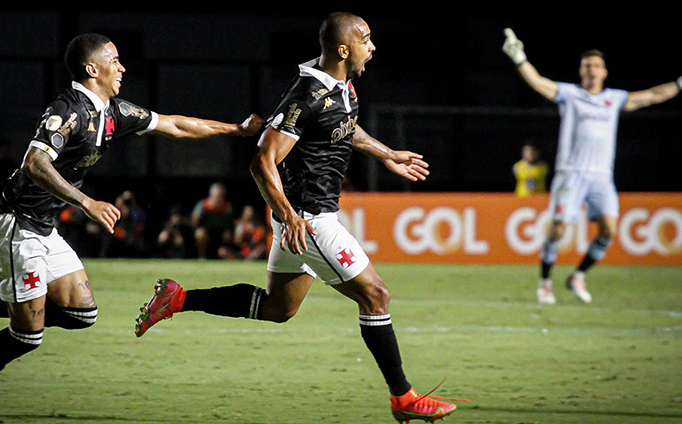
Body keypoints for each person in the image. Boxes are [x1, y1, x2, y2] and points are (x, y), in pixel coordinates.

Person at [134, 12, 465, 422]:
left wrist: (389, 154)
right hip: (309, 220)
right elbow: (262, 160)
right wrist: (290, 216)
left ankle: (179, 298)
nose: (373, 46)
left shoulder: (341, 87)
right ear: (343, 49)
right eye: (366, 39)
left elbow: (346, 127)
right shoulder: (305, 96)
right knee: (375, 295)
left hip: (302, 218)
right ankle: (404, 397)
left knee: (278, 308)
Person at [0, 32, 264, 422]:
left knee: (81, 314)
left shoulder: (111, 111)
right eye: (114, 59)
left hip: (41, 228)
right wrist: (86, 202)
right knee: (28, 335)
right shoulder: (67, 110)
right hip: (16, 226)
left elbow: (173, 125)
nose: (121, 66)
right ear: (92, 69)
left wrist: (235, 130)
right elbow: (35, 163)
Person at [502, 28, 682, 304]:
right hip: (571, 174)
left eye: (597, 66)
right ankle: (544, 282)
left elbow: (652, 96)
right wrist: (519, 58)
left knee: (610, 230)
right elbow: (539, 83)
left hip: (601, 177)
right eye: (587, 65)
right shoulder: (570, 95)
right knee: (559, 229)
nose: (592, 69)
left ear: (604, 72)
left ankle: (577, 275)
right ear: (580, 71)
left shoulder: (614, 100)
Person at [190, 182, 235, 259]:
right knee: (200, 233)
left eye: (222, 196)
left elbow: (231, 223)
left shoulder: (227, 207)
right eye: (218, 196)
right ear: (211, 195)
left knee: (228, 234)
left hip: (220, 233)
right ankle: (202, 257)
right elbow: (194, 223)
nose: (220, 198)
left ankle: (227, 255)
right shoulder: (202, 205)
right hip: (206, 232)